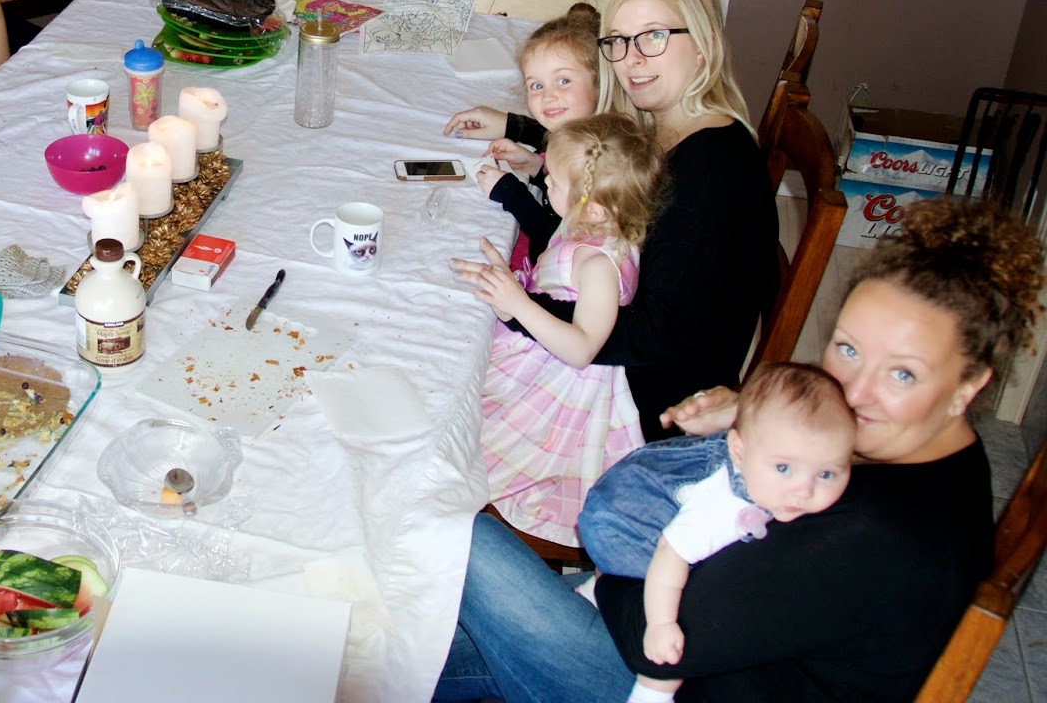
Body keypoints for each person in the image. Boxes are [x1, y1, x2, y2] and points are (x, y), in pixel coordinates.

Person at [434, 197, 1041, 702]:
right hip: (728, 638)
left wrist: (632, 559)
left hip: (672, 675)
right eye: (849, 349)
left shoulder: (881, 537)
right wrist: (761, 416)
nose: (855, 393)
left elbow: (659, 633)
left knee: (457, 530)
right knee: (432, 642)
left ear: (968, 387)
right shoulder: (941, 458)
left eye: (903, 374)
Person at [451, 0, 777, 440]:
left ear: (703, 44)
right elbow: (597, 193)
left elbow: (659, 335)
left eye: (654, 36)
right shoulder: (665, 126)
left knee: (455, 367)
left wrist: (522, 309)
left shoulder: (710, 175)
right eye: (619, 41)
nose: (631, 60)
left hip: (647, 399)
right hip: (613, 343)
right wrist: (518, 128)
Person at [577, 362, 856, 703]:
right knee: (680, 631)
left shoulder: (774, 475)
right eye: (784, 468)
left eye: (826, 474)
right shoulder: (721, 505)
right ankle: (651, 693)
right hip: (628, 531)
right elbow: (670, 555)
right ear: (739, 452)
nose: (804, 491)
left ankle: (593, 593)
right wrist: (661, 625)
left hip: (651, 521)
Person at [452, 113, 664, 544]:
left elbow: (583, 348)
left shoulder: (600, 265)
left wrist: (519, 304)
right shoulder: (593, 225)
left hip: (558, 383)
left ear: (594, 207)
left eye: (554, 180)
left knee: (461, 435)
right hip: (540, 347)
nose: (545, 181)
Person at [447, 2, 602, 268]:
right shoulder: (575, 136)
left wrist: (511, 194)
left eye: (564, 81)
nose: (548, 96)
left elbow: (561, 244)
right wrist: (537, 166)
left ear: (599, 82)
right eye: (536, 85)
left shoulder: (601, 156)